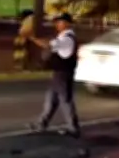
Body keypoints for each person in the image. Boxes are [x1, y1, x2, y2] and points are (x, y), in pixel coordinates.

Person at [27, 13, 86, 146]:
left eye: (60, 22)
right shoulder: (64, 37)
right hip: (59, 73)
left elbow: (48, 45)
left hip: (63, 74)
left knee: (65, 100)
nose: (57, 25)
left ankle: (73, 128)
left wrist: (31, 37)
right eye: (57, 22)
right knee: (51, 99)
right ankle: (41, 124)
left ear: (67, 24)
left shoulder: (67, 39)